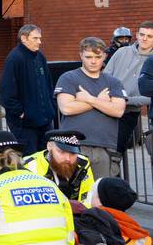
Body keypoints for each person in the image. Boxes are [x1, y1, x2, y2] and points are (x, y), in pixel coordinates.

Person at [54, 37, 127, 180]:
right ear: (81, 55)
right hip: (73, 146)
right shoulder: (68, 78)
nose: (93, 61)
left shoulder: (113, 82)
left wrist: (89, 98)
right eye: (89, 57)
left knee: (101, 194)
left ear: (105, 56)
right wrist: (101, 101)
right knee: (74, 193)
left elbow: (118, 110)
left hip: (105, 148)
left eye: (98, 57)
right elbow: (67, 108)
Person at [0, 24, 54, 157]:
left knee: (46, 158)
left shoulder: (40, 57)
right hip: (25, 125)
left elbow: (48, 85)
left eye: (39, 38)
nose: (39, 42)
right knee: (30, 160)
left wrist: (51, 106)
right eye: (35, 38)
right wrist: (21, 113)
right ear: (24, 38)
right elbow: (6, 92)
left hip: (44, 122)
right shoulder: (14, 58)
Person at [104, 21, 153, 152]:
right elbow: (105, 77)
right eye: (142, 34)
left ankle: (113, 173)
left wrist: (125, 100)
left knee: (115, 153)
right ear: (137, 35)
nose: (144, 38)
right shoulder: (121, 52)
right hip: (106, 107)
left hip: (129, 113)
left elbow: (150, 96)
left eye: (149, 36)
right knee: (101, 150)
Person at [22, 130, 95, 203]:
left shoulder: (83, 163)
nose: (68, 158)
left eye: (73, 153)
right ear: (49, 146)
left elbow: (88, 197)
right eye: (62, 152)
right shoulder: (29, 166)